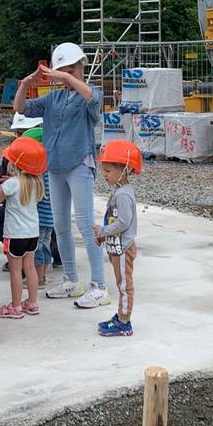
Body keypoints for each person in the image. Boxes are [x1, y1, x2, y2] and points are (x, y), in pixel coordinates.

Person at [14, 42, 108, 309]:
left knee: (87, 225)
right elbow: (21, 108)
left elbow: (93, 98)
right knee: (61, 226)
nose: (66, 74)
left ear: (80, 67)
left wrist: (66, 76)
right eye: (62, 70)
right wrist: (25, 83)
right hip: (55, 167)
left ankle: (99, 286)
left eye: (71, 69)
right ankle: (71, 279)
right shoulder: (54, 99)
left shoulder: (89, 94)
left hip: (79, 164)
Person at [0, 136, 46, 318]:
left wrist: (4, 184)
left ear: (16, 163)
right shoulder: (36, 183)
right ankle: (32, 303)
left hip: (15, 233)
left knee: (15, 270)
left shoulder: (11, 183)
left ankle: (15, 306)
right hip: (32, 233)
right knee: (29, 267)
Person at [93, 141, 142, 337]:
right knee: (120, 283)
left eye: (108, 170)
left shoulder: (123, 196)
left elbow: (123, 223)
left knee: (124, 285)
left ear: (124, 169)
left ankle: (124, 322)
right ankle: (121, 315)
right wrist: (104, 236)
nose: (105, 175)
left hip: (122, 249)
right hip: (116, 247)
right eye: (104, 170)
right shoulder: (119, 192)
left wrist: (103, 231)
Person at [22, 126, 55, 286]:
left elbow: (36, 194)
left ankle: (38, 278)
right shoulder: (51, 167)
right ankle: (42, 276)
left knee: (37, 248)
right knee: (46, 246)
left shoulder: (39, 170)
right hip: (51, 217)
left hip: (40, 216)